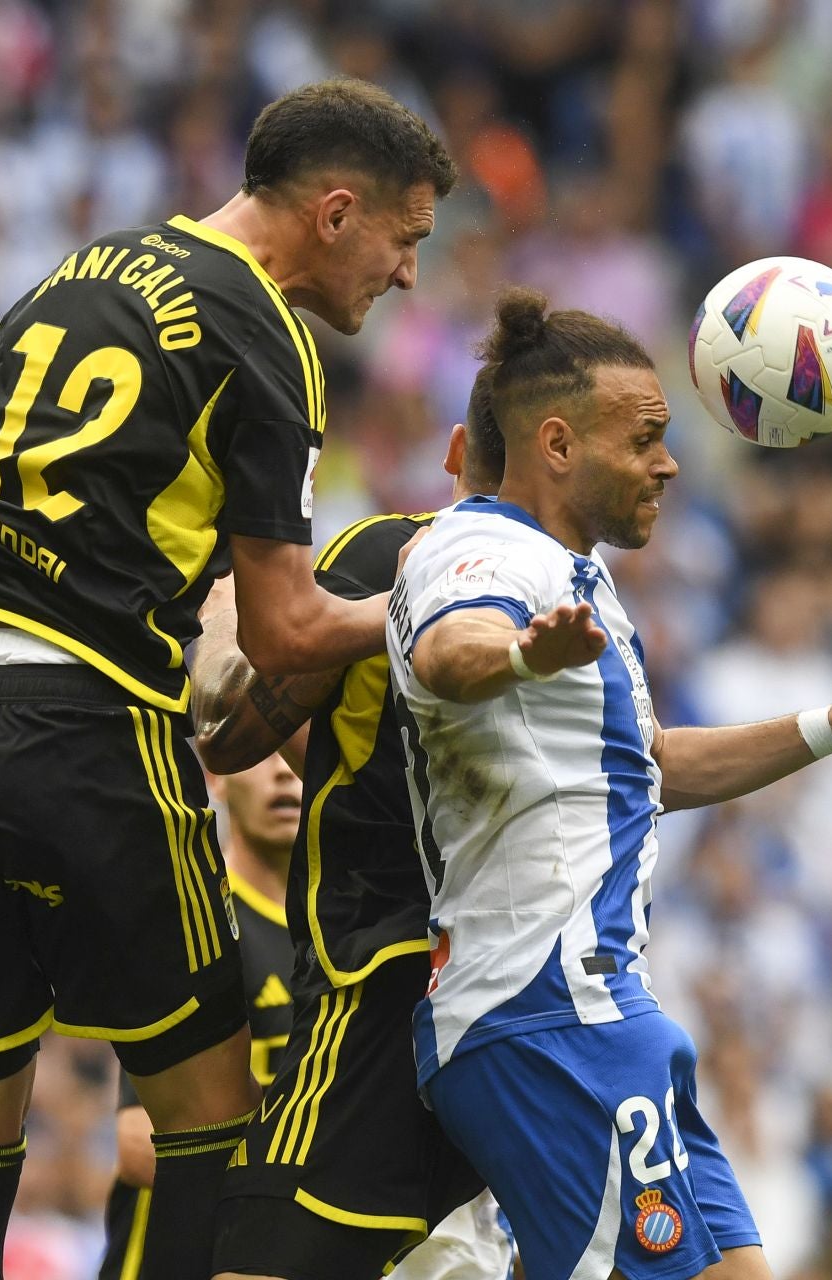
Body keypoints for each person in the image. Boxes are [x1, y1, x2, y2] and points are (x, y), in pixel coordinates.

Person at [0, 78, 455, 1280]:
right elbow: (293, 632)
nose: (406, 276)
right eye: (407, 241)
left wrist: (130, 568)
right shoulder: (268, 333)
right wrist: (427, 599)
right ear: (337, 212)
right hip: (85, 726)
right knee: (216, 1101)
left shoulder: (80, 272)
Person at [386, 287, 832, 1280]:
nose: (669, 460)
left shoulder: (575, 580)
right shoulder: (483, 546)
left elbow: (652, 767)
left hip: (600, 1008)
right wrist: (526, 656)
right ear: (559, 443)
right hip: (547, 1012)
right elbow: (454, 648)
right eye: (647, 436)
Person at [189, 370, 515, 1280]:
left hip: (405, 981)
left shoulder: (407, 561)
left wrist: (220, 619)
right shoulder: (589, 609)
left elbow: (227, 727)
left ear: (456, 451)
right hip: (495, 998)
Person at [99, 755, 300, 1280]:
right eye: (263, 752)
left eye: (299, 750)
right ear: (217, 775)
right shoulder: (194, 922)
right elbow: (139, 1143)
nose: (284, 771)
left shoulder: (350, 931)